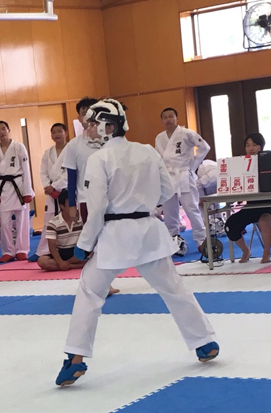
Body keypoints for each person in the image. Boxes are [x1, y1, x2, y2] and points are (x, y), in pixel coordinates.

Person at [55, 99, 219, 387]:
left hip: (115, 235)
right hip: (148, 231)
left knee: (90, 292)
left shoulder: (99, 159)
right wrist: (141, 202)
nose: (88, 130)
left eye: (92, 124)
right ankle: (205, 342)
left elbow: (97, 207)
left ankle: (76, 359)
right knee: (173, 288)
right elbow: (166, 191)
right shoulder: (147, 151)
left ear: (108, 127)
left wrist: (85, 243)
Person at [62, 96, 119, 297]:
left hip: (112, 198)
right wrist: (71, 204)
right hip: (87, 199)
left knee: (111, 240)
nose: (87, 116)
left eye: (91, 111)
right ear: (78, 117)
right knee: (94, 242)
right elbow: (71, 177)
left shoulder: (110, 140)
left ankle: (105, 281)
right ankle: (97, 283)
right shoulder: (74, 145)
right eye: (83, 113)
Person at [156, 107, 210, 255]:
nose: (168, 120)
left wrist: (193, 165)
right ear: (161, 120)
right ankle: (174, 239)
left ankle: (201, 240)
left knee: (191, 208)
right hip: (167, 176)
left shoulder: (186, 133)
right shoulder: (159, 138)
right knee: (169, 211)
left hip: (184, 174)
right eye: (165, 117)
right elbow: (158, 158)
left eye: (171, 116)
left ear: (176, 118)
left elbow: (204, 147)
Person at [0, 121, 35, 263]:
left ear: (9, 130)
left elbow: (26, 170)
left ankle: (22, 249)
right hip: (3, 188)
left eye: (3, 129)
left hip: (19, 186)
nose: (1, 132)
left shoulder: (19, 147)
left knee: (22, 220)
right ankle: (8, 251)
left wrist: (27, 191)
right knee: (4, 222)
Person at [224, 133, 270, 263]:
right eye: (248, 145)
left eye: (254, 145)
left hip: (268, 204)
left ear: (261, 146)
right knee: (230, 226)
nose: (251, 148)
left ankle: (266, 253)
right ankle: (245, 250)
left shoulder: (268, 160)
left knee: (265, 221)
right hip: (252, 205)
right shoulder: (242, 164)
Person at [30, 123, 69, 262]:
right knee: (48, 220)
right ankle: (43, 250)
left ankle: (68, 248)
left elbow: (70, 172)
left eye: (59, 131)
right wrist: (48, 186)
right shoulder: (48, 153)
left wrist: (55, 186)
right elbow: (43, 171)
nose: (57, 134)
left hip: (66, 190)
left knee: (69, 219)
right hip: (51, 192)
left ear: (66, 133)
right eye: (54, 132)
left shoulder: (71, 150)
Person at [37, 189, 86, 272]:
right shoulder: (53, 222)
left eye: (75, 203)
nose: (74, 206)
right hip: (61, 252)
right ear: (62, 206)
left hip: (77, 252)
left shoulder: (82, 219)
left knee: (92, 255)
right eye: (70, 204)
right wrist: (60, 262)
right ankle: (74, 265)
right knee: (42, 261)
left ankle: (67, 265)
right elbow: (52, 247)